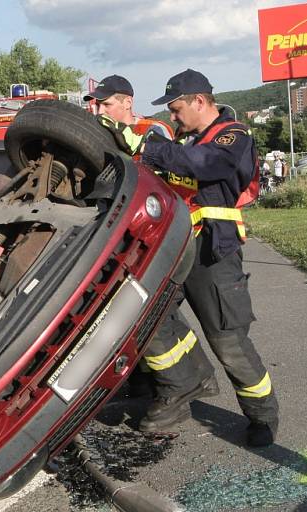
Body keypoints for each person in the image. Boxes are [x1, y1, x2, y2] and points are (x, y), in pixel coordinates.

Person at [100, 69, 279, 447]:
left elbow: (204, 164)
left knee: (228, 341)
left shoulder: (233, 136)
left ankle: (262, 415)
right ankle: (183, 382)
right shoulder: (182, 139)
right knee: (146, 317)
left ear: (200, 101)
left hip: (213, 254)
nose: (174, 116)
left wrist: (148, 146)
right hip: (173, 249)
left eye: (177, 108)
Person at [86, 75, 217, 405]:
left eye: (105, 104)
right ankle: (160, 382)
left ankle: (184, 381)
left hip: (156, 236)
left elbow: (164, 180)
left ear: (127, 102)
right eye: (96, 104)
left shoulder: (151, 132)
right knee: (145, 313)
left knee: (147, 313)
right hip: (128, 237)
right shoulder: (109, 136)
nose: (98, 110)